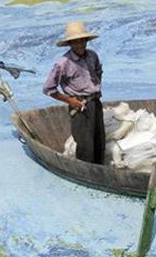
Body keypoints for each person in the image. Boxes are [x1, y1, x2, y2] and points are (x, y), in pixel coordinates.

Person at [43, 21, 105, 164]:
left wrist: (95, 89)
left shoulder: (92, 56)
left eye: (82, 41)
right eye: (75, 42)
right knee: (85, 145)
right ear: (70, 44)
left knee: (99, 140)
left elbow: (98, 71)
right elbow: (48, 89)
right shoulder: (63, 63)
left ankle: (99, 172)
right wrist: (71, 101)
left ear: (86, 41)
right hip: (79, 106)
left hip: (95, 102)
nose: (80, 45)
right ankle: (85, 174)